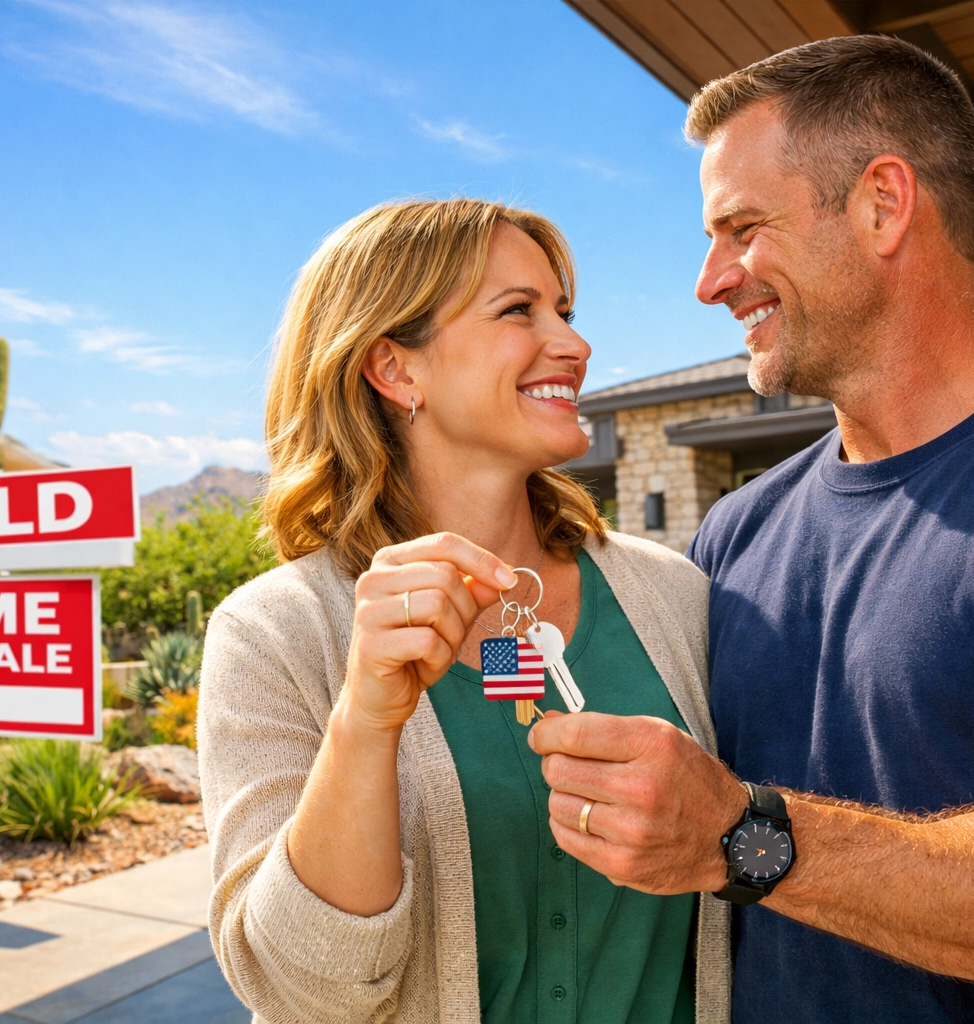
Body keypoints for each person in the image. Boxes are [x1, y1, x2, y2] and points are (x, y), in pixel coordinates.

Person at [528, 34, 974, 1024]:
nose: (710, 280)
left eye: (741, 227)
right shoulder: (736, 532)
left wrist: (744, 839)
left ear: (884, 204)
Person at [198, 198, 733, 1023]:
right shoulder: (272, 633)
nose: (575, 344)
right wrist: (366, 721)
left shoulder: (675, 596)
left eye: (564, 311)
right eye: (518, 310)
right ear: (395, 369)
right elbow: (303, 990)